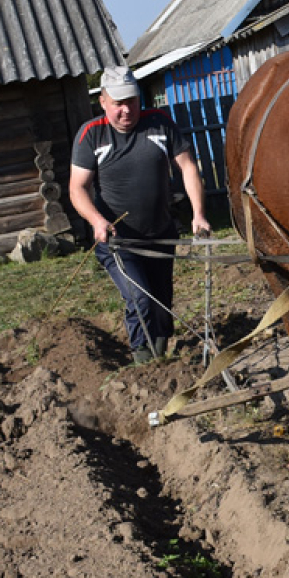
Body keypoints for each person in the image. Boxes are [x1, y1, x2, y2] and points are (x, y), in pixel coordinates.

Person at [69, 65, 211, 364]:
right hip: (118, 241)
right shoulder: (92, 135)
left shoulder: (159, 123)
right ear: (104, 102)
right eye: (118, 103)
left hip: (160, 234)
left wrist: (198, 213)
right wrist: (97, 220)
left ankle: (159, 357)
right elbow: (77, 189)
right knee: (140, 298)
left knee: (162, 306)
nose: (126, 110)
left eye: (131, 101)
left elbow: (187, 166)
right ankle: (142, 360)